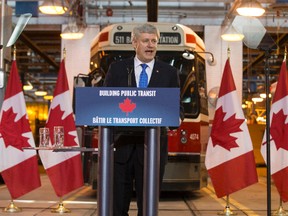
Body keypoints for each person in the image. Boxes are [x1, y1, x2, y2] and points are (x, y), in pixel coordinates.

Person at [104, 23, 181, 216]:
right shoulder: (118, 69)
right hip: (121, 147)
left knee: (147, 207)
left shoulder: (169, 73)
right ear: (134, 43)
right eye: (146, 41)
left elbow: (177, 107)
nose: (150, 45)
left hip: (153, 149)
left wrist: (177, 117)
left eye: (154, 41)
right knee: (117, 206)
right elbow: (105, 101)